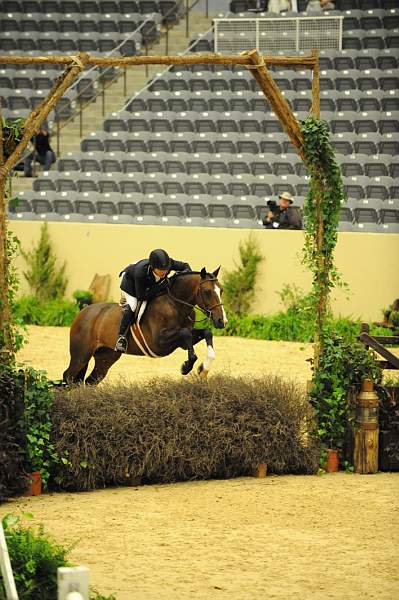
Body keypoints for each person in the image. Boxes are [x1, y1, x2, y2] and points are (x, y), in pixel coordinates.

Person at [115, 248, 192, 353]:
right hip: (130, 284)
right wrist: (163, 285)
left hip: (148, 283)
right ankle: (121, 338)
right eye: (161, 269)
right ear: (152, 267)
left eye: (166, 269)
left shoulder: (168, 264)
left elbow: (186, 266)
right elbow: (141, 296)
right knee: (133, 305)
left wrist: (182, 275)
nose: (164, 272)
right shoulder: (141, 273)